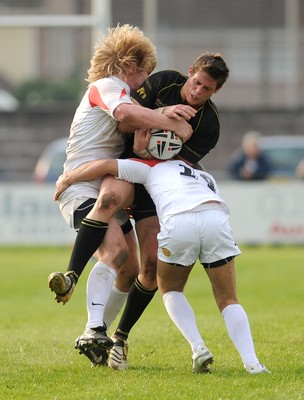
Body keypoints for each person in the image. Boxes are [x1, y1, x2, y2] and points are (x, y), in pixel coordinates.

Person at [51, 52, 230, 369]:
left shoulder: (210, 126)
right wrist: (159, 122)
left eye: (207, 89)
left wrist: (148, 146)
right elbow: (126, 120)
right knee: (108, 207)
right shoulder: (162, 83)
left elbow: (172, 160)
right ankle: (72, 275)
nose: (198, 91)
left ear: (215, 92)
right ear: (190, 73)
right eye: (197, 82)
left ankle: (116, 337)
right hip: (126, 163)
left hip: (156, 180)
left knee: (148, 265)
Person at [54, 140, 270, 375]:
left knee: (171, 290)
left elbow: (105, 165)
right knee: (228, 299)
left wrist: (68, 178)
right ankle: (253, 364)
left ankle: (198, 348)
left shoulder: (149, 167)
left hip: (180, 220)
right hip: (216, 216)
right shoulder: (201, 172)